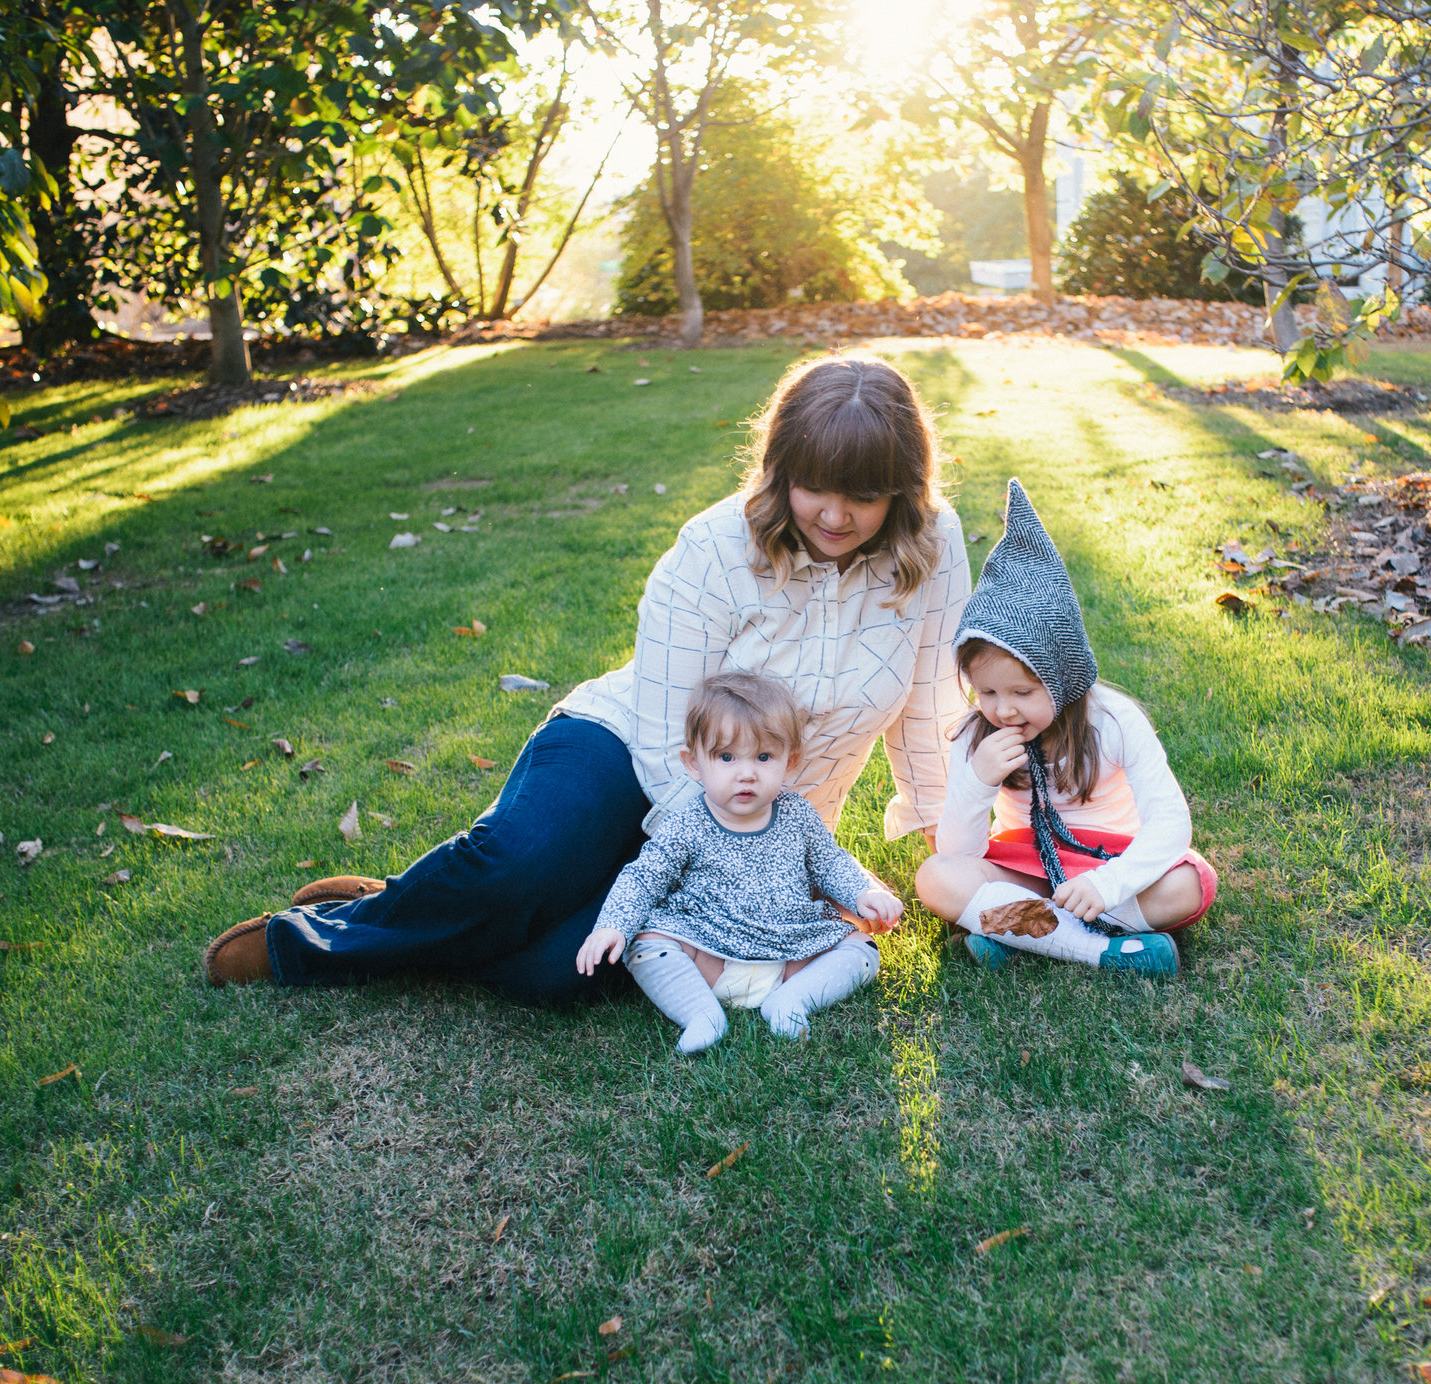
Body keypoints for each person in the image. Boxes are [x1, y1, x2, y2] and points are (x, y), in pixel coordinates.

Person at [199, 354, 969, 999]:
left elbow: (932, 705)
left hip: (764, 808)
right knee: (517, 868)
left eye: (864, 496)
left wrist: (948, 841)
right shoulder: (713, 548)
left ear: (901, 491)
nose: (835, 515)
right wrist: (721, 867)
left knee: (557, 973)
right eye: (816, 489)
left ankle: (422, 903)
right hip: (628, 748)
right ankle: (307, 942)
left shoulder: (932, 547)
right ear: (781, 468)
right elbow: (670, 737)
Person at [914, 480, 1215, 976]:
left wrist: (1107, 885)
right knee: (937, 876)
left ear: (1062, 674)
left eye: (1023, 693)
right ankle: (1106, 952)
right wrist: (976, 781)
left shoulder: (1113, 720)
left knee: (1186, 884)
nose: (1004, 711)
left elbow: (1170, 822)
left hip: (1111, 863)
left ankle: (1022, 934)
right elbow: (960, 851)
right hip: (1027, 867)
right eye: (987, 693)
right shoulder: (977, 735)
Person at [575, 671, 899, 1051]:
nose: (746, 773)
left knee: (862, 949)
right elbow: (643, 879)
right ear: (694, 764)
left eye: (763, 757)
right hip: (708, 954)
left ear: (789, 763)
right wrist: (612, 925)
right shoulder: (687, 824)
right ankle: (701, 1014)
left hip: (790, 953)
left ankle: (793, 1001)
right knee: (644, 942)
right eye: (726, 757)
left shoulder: (797, 814)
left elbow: (829, 863)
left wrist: (862, 892)